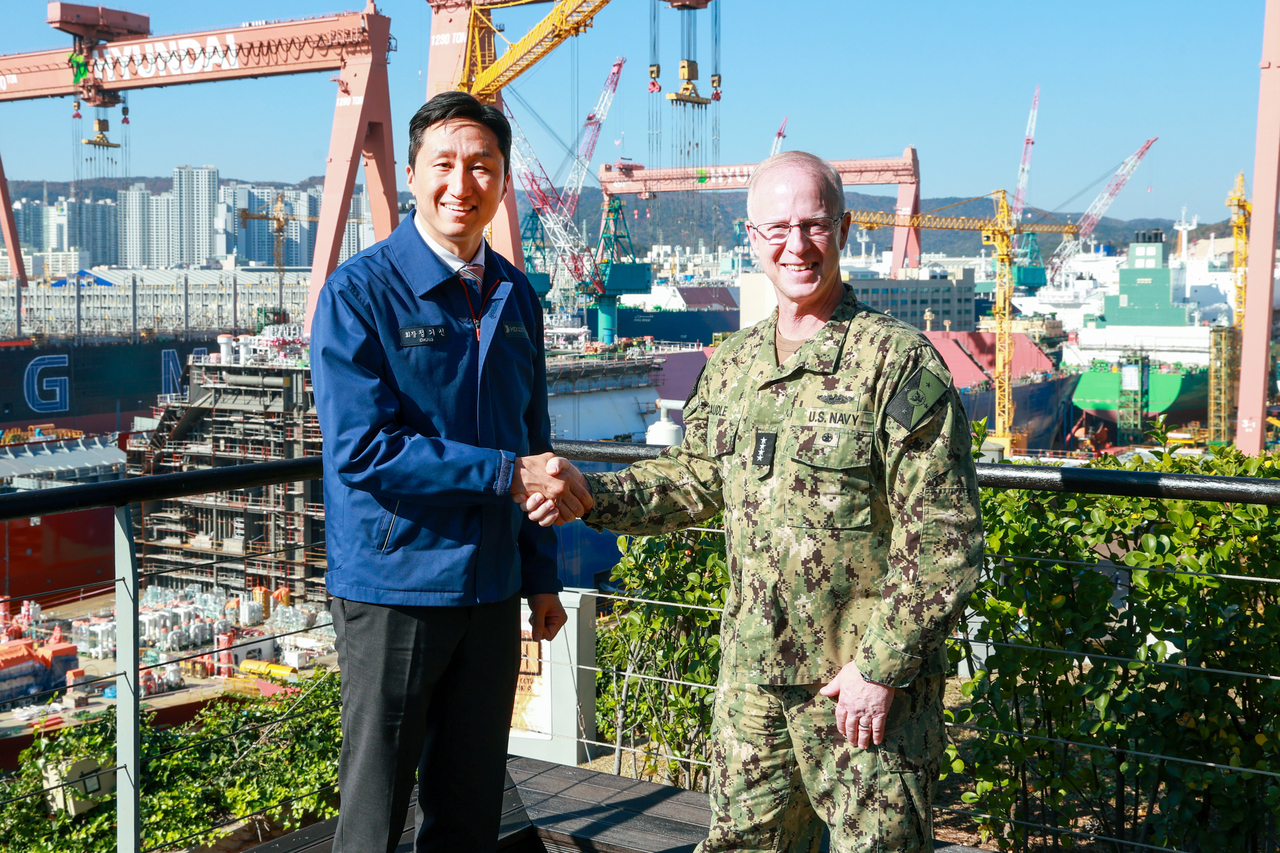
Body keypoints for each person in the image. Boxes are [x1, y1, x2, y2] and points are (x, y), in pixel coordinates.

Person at [524, 150, 983, 852]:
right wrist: (589, 494)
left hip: (857, 696)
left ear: (845, 227)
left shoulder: (895, 362)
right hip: (753, 689)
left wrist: (880, 668)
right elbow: (692, 479)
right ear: (751, 238)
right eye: (776, 229)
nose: (795, 246)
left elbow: (945, 540)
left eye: (813, 225)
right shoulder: (734, 364)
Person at [311, 91, 594, 853]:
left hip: (494, 589)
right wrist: (506, 475)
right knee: (374, 812)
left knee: (469, 809)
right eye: (444, 164)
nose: (461, 183)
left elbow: (533, 436)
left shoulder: (515, 294)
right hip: (395, 583)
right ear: (411, 174)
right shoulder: (360, 293)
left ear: (503, 181)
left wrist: (540, 576)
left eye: (482, 166)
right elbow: (361, 447)